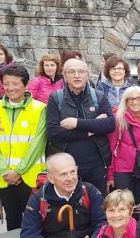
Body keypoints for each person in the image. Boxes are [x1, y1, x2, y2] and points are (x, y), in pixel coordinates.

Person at [0, 64, 46, 230]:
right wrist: (5, 171)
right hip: (4, 177)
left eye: (15, 83)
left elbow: (37, 143)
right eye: (6, 84)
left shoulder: (39, 109)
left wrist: (18, 171)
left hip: (30, 176)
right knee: (12, 221)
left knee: (33, 220)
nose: (10, 88)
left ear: (25, 84)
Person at [46, 58, 115, 195]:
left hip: (96, 164)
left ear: (87, 75)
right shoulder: (55, 98)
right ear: (64, 76)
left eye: (81, 71)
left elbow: (109, 125)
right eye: (71, 72)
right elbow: (53, 132)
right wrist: (89, 131)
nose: (77, 75)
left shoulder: (99, 97)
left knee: (97, 205)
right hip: (66, 168)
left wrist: (76, 123)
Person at [107, 86, 140, 203]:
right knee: (124, 203)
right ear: (126, 102)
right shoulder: (118, 118)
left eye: (139, 98)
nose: (135, 102)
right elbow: (111, 147)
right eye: (131, 99)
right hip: (122, 168)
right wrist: (110, 175)